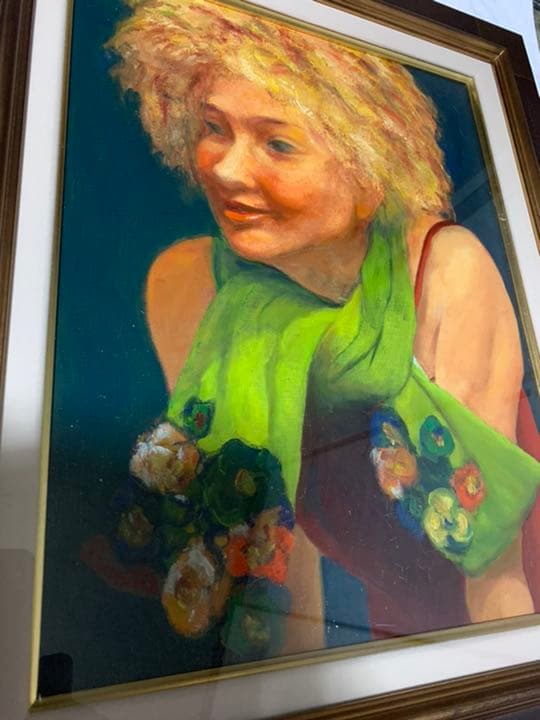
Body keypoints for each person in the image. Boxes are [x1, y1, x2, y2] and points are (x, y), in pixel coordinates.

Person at [106, 0, 540, 655]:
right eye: (215, 127)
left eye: (277, 143)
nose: (226, 169)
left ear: (370, 171)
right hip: (395, 641)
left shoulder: (443, 272)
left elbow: (495, 578)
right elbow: (275, 567)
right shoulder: (190, 286)